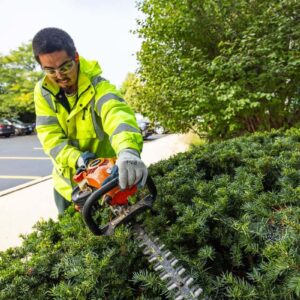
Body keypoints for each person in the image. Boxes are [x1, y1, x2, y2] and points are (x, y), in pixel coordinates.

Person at [32, 27, 148, 214]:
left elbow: (117, 114)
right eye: (50, 70)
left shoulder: (98, 86)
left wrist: (128, 150)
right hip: (67, 187)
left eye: (65, 67)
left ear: (76, 57)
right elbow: (50, 138)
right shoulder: (42, 92)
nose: (59, 76)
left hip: (106, 182)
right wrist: (78, 159)